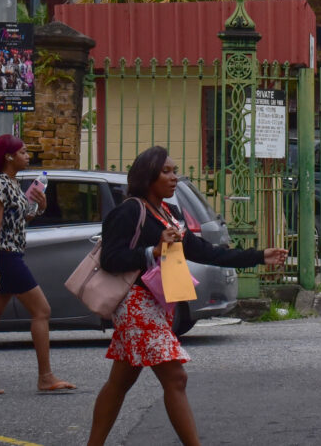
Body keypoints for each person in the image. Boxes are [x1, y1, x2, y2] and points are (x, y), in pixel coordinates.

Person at [87, 146, 287, 446]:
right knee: (176, 378)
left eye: (174, 170)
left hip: (158, 304)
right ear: (147, 177)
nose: (174, 177)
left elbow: (204, 251)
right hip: (136, 306)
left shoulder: (170, 214)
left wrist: (258, 256)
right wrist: (151, 251)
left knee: (120, 382)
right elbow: (110, 260)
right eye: (166, 172)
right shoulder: (129, 211)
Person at [0, 134, 75, 395]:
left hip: (11, 254)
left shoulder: (14, 183)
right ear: (9, 156)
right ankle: (45, 377)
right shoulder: (0, 185)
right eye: (23, 152)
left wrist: (39, 208)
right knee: (42, 310)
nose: (28, 156)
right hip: (5, 257)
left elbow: (18, 222)